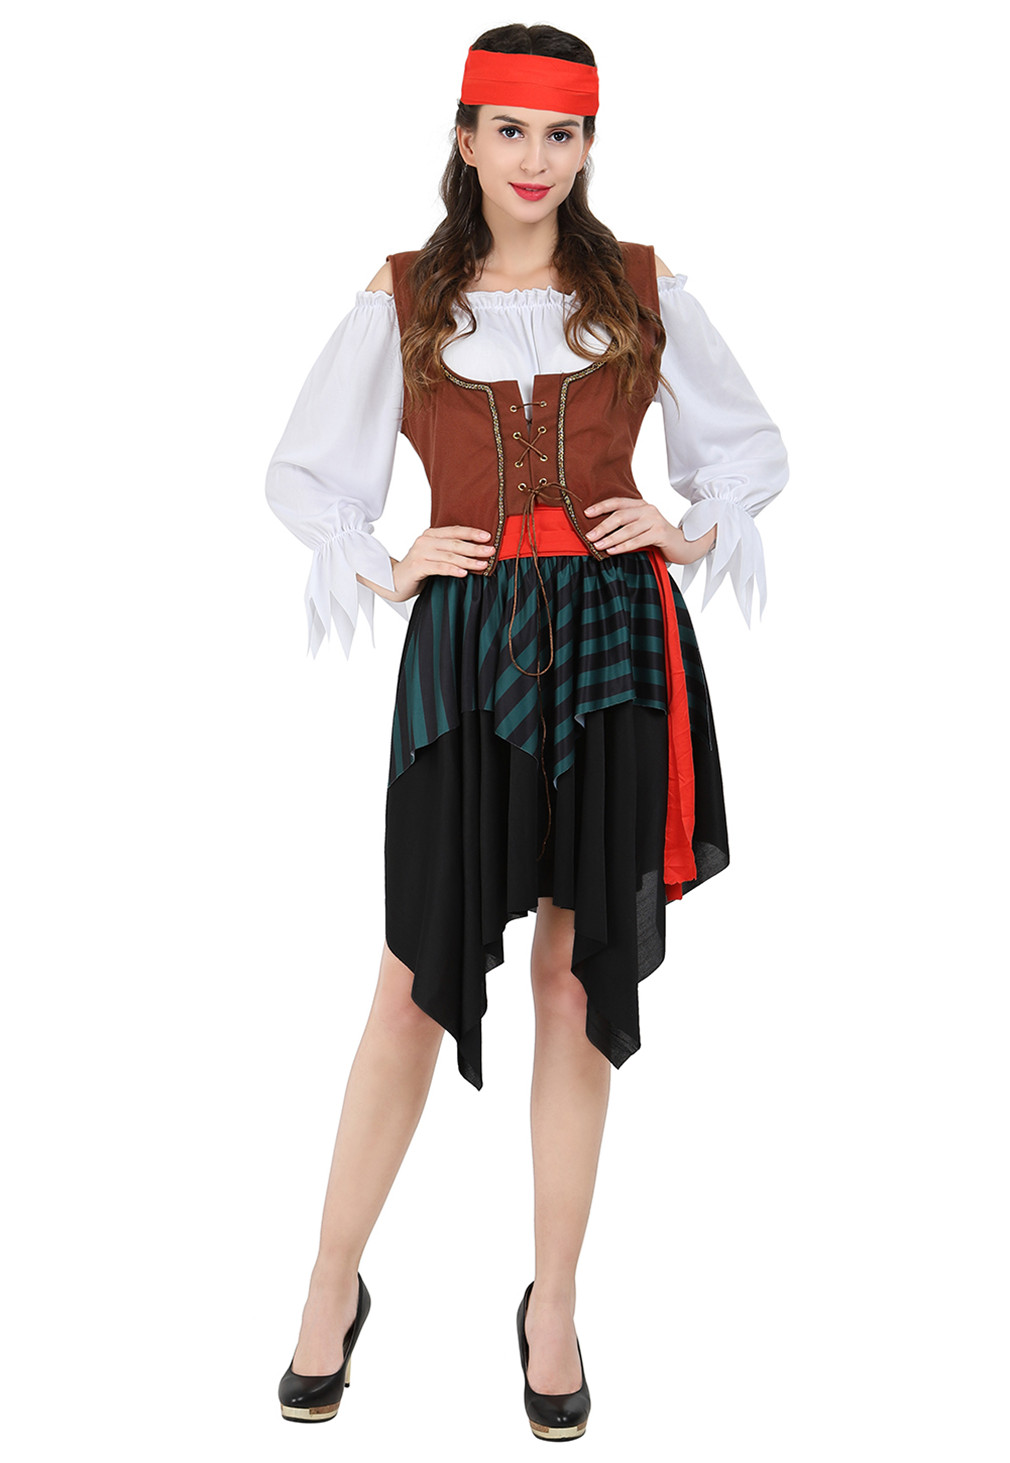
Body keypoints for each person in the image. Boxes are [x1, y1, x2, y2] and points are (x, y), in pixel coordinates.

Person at [265, 22, 788, 1441]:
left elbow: (746, 449)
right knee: (409, 981)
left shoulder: (640, 287)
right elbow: (306, 473)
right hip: (469, 648)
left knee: (570, 979)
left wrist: (686, 528)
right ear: (465, 138)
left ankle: (552, 1305)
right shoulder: (404, 297)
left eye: (561, 133)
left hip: (615, 648)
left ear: (588, 142)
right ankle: (329, 1284)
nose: (536, 159)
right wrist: (387, 563)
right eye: (510, 129)